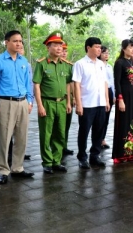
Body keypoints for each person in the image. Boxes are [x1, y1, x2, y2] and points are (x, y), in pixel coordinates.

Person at [0, 30, 34, 185]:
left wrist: (29, 100)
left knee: (22, 137)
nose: (19, 44)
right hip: (5, 102)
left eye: (20, 41)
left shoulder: (23, 61)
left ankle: (18, 168)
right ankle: (3, 170)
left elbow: (28, 82)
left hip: (22, 102)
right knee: (4, 137)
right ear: (6, 42)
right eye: (15, 41)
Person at [33, 32, 72, 174]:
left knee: (60, 133)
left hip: (62, 103)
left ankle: (57, 161)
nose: (59, 48)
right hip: (47, 102)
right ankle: (47, 162)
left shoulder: (66, 65)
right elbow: (36, 85)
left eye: (60, 45)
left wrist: (68, 102)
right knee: (46, 133)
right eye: (55, 45)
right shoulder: (42, 64)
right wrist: (40, 105)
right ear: (48, 47)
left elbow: (68, 84)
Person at [72, 37, 110, 169]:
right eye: (97, 47)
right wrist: (78, 103)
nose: (99, 49)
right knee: (84, 131)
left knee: (99, 131)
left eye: (100, 47)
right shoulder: (80, 64)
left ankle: (95, 155)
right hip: (87, 104)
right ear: (88, 47)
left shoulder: (101, 64)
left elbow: (105, 83)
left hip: (100, 103)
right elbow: (76, 85)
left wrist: (106, 100)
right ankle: (82, 157)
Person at [112, 39, 133, 163]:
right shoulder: (119, 63)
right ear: (124, 49)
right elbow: (117, 82)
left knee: (132, 124)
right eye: (130, 48)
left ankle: (131, 152)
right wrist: (120, 99)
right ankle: (120, 154)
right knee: (123, 124)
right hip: (124, 97)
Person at [99, 46, 114, 150]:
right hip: (100, 92)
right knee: (100, 118)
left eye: (108, 53)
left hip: (109, 91)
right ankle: (98, 139)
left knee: (107, 118)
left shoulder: (109, 66)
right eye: (104, 53)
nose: (106, 55)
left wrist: (114, 95)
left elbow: (112, 82)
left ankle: (102, 139)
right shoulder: (98, 65)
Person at [61, 41, 75, 155]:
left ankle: (64, 146)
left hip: (68, 99)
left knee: (66, 124)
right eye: (63, 50)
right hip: (59, 98)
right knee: (58, 125)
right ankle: (57, 146)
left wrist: (74, 97)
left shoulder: (69, 66)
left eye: (66, 51)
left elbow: (71, 83)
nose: (64, 53)